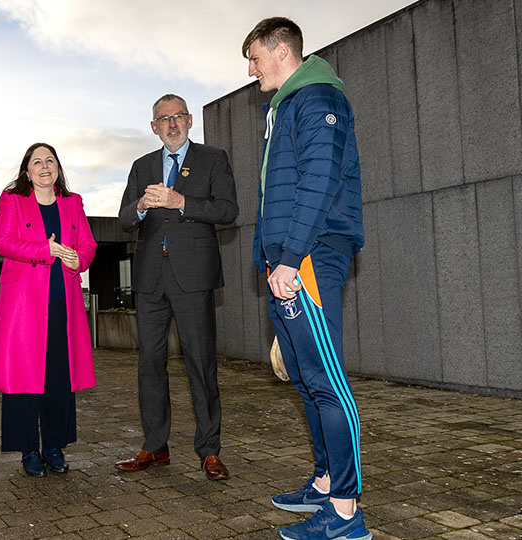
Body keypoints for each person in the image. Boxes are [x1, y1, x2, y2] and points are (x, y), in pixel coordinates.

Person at [243, 18, 369, 540]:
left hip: (311, 257)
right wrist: (267, 259)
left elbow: (318, 182)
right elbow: (276, 193)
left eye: (254, 58)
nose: (251, 70)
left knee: (327, 383)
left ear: (281, 51)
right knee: (306, 380)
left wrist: (291, 256)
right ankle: (323, 482)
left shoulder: (318, 97)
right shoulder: (286, 105)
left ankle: (345, 512)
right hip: (289, 261)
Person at [115, 94, 238, 480]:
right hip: (151, 279)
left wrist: (180, 200)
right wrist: (140, 207)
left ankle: (209, 450)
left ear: (189, 121)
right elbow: (123, 219)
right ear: (153, 127)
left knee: (200, 363)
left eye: (178, 117)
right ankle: (155, 446)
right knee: (149, 364)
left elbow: (228, 210)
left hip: (193, 277)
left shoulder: (213, 158)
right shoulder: (142, 166)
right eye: (163, 119)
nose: (171, 124)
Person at [0, 142, 97, 477]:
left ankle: (54, 446)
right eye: (38, 162)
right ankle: (28, 451)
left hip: (63, 302)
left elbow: (89, 243)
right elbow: (3, 242)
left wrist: (80, 259)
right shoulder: (13, 200)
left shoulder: (73, 202)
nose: (45, 167)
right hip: (23, 305)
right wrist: (45, 249)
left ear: (57, 168)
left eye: (50, 161)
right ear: (27, 170)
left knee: (59, 378)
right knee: (24, 378)